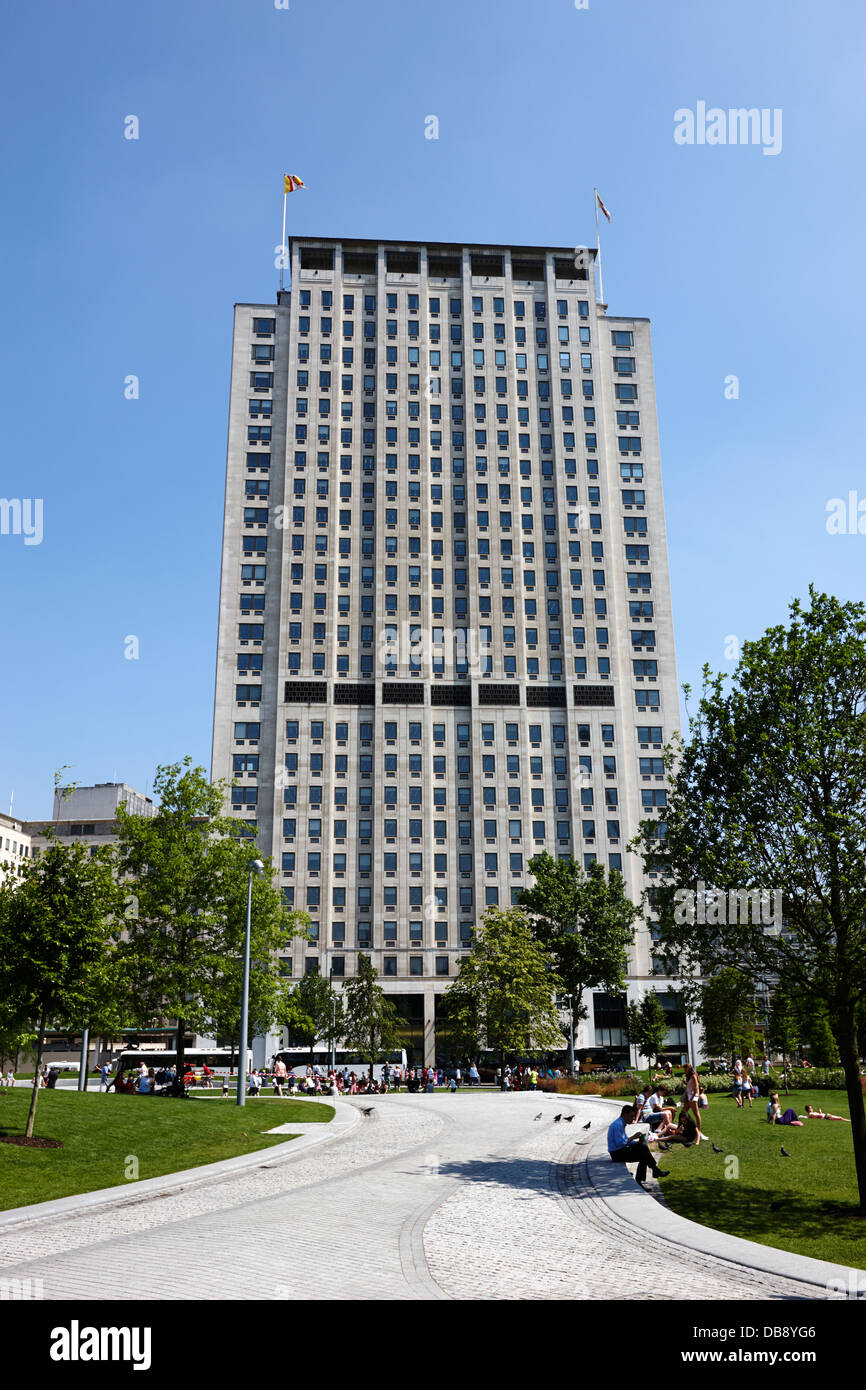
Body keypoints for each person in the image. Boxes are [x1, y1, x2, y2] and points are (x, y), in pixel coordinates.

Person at [607, 1105, 670, 1186]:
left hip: (620, 1150)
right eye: (631, 1116)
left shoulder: (620, 1123)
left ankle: (651, 1173)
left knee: (642, 1149)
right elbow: (620, 1143)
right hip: (616, 1154)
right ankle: (652, 1172)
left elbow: (625, 1140)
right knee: (643, 1153)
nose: (633, 1119)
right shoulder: (617, 1125)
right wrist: (633, 1137)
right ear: (625, 1114)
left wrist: (636, 1142)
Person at [682, 1063, 703, 1142]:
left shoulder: (694, 1075)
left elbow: (696, 1087)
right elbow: (691, 1086)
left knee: (696, 1113)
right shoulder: (689, 1076)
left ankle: (698, 1130)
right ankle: (685, 1128)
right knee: (683, 1112)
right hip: (690, 1097)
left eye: (685, 1069)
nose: (684, 1070)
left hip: (692, 1097)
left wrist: (692, 1097)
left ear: (689, 1068)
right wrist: (686, 1084)